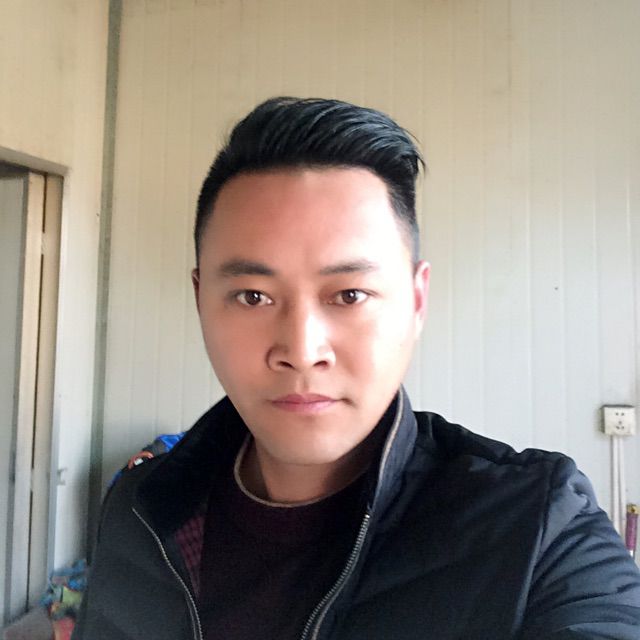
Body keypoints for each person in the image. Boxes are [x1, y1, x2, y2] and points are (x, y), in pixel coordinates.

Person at [73, 97, 640, 640]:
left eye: (349, 295)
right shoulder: (143, 510)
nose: (301, 350)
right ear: (201, 300)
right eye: (252, 296)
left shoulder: (537, 529)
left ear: (416, 301)